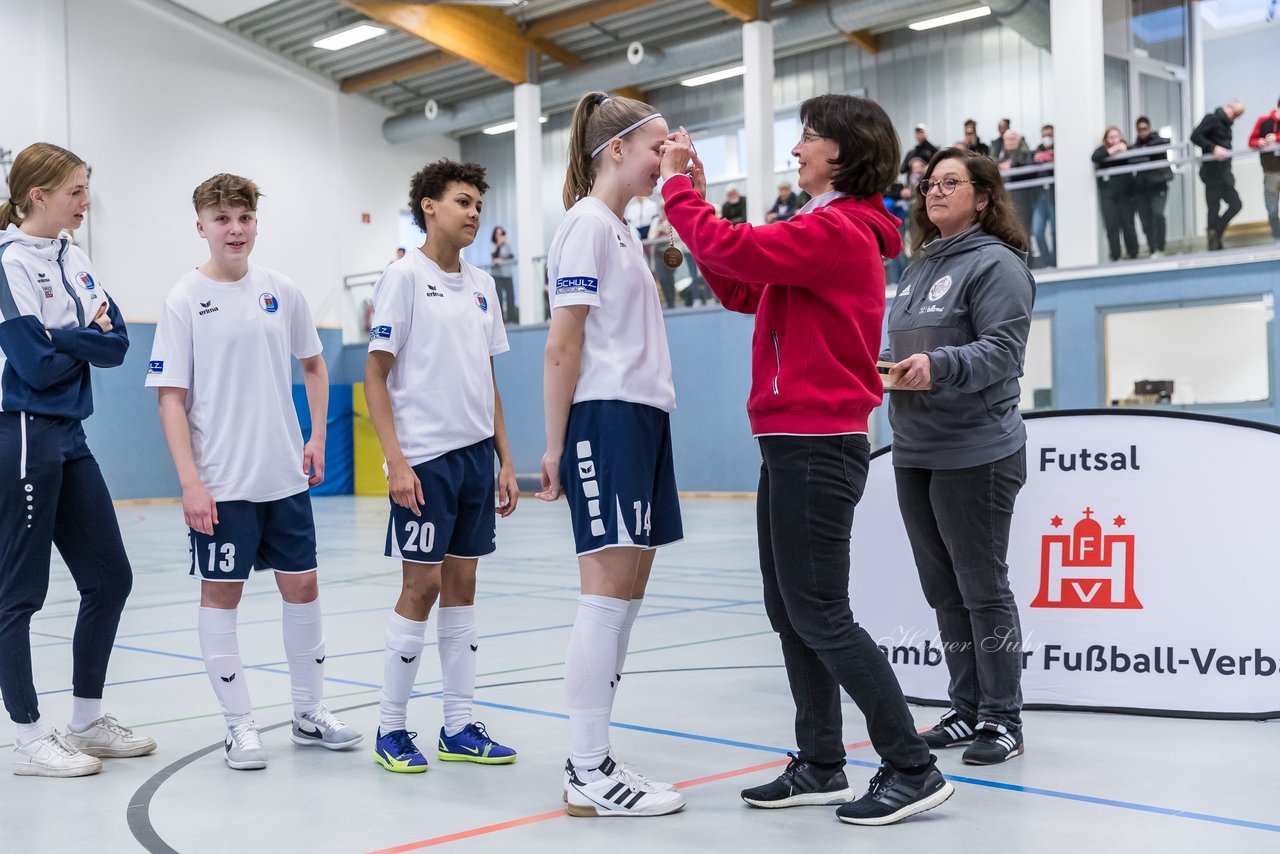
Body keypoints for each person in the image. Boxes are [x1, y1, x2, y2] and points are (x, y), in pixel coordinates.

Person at [661, 93, 953, 827]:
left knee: (820, 610)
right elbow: (740, 286)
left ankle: (911, 766)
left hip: (818, 443)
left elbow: (737, 252)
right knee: (790, 609)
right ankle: (822, 762)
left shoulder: (843, 230)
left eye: (810, 139)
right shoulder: (820, 228)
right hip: (791, 441)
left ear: (844, 153)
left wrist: (678, 191)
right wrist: (695, 213)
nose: (797, 151)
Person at [148, 173, 362, 771]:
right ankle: (238, 724)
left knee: (304, 589)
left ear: (255, 223)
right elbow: (170, 398)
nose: (235, 229)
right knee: (222, 598)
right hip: (221, 483)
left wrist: (317, 436)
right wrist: (191, 481)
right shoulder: (183, 298)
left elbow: (314, 366)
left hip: (283, 477)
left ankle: (308, 712)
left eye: (244, 218)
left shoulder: (282, 290)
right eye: (222, 219)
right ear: (202, 227)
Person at [539, 91, 686, 818]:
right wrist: (557, 444)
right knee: (602, 599)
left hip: (645, 418)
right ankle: (586, 769)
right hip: (606, 419)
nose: (666, 158)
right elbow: (562, 345)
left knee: (625, 601)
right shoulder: (586, 226)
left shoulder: (626, 232)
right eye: (656, 147)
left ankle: (595, 757)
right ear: (615, 150)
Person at [0, 143, 153, 777]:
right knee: (20, 594)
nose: (86, 202)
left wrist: (61, 337)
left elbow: (117, 343)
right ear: (38, 197)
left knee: (110, 577)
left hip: (70, 432)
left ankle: (85, 720)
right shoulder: (8, 263)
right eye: (76, 192)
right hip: (25, 433)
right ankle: (29, 735)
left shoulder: (75, 256)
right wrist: (75, 339)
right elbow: (31, 364)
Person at [364, 160, 519, 775]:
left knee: (462, 588)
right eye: (462, 201)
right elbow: (375, 374)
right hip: (425, 461)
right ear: (429, 206)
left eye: (478, 203)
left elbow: (488, 377)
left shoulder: (483, 285)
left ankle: (458, 726)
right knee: (420, 588)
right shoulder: (402, 278)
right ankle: (391, 728)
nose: (474, 213)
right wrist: (396, 462)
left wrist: (506, 459)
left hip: (477, 459)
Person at [884, 147, 1035, 766]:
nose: (935, 192)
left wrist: (938, 366)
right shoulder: (918, 267)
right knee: (944, 591)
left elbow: (1003, 351)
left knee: (981, 589)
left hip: (976, 452)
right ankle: (967, 708)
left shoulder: (996, 265)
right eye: (929, 184)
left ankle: (1003, 719)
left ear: (982, 197)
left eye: (951, 182)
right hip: (914, 449)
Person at [1191, 99, 1246, 251]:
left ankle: (1216, 232)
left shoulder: (1228, 126)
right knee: (1213, 207)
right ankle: (1214, 241)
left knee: (1236, 204)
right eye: (1235, 114)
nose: (1235, 118)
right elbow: (1195, 136)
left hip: (1225, 172)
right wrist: (1213, 148)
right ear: (1229, 108)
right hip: (1212, 172)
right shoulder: (1212, 119)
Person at [1092, 127, 1139, 261]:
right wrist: (1110, 151)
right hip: (1108, 194)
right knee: (1112, 226)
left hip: (1125, 194)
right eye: (1111, 137)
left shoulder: (1127, 148)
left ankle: (1133, 253)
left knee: (1128, 224)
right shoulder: (1102, 150)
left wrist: (1124, 151)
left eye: (1116, 136)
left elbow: (1137, 158)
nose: (1114, 140)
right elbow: (1095, 157)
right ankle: (1115, 255)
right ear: (1106, 139)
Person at [1130, 117, 1173, 257]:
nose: (1142, 132)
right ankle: (1152, 249)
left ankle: (1160, 247)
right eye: (1140, 129)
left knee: (1158, 214)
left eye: (1145, 129)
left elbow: (1166, 143)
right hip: (1141, 189)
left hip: (1158, 186)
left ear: (1149, 128)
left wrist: (1146, 151)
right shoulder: (1134, 147)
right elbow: (1132, 158)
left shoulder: (1159, 141)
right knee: (1145, 221)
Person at [1246, 96, 1280, 241]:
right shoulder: (1264, 121)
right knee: (1272, 209)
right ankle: (1277, 236)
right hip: (1271, 171)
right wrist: (1259, 142)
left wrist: (1277, 138)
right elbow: (1251, 141)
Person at [998, 129, 1036, 238]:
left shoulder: (1025, 153)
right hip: (1007, 200)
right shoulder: (1001, 155)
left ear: (1019, 141)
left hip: (1023, 199)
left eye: (1013, 139)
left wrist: (1011, 166)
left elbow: (1028, 169)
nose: (1010, 141)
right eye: (1007, 139)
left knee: (1024, 231)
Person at [1029, 124, 1056, 267]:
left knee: (1054, 230)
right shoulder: (1037, 150)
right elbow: (1029, 163)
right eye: (1044, 135)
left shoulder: (1061, 147)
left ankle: (1056, 260)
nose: (1047, 138)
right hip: (1040, 195)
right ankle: (1046, 262)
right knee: (1037, 231)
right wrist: (1037, 158)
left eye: (1049, 135)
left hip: (1054, 194)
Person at [650, 212, 678, 308]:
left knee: (670, 276)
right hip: (658, 251)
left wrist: (666, 233)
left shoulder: (673, 219)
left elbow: (676, 236)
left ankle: (672, 301)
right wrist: (658, 234)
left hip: (670, 250)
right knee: (662, 277)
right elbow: (650, 237)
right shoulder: (657, 221)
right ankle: (668, 300)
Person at [490, 226, 516, 323]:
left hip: (507, 275)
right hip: (497, 275)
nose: (501, 236)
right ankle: (500, 322)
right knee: (499, 298)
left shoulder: (507, 246)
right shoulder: (493, 246)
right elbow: (493, 258)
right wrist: (498, 245)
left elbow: (512, 257)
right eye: (499, 234)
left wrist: (501, 261)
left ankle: (511, 320)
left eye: (502, 233)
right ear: (495, 235)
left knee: (511, 296)